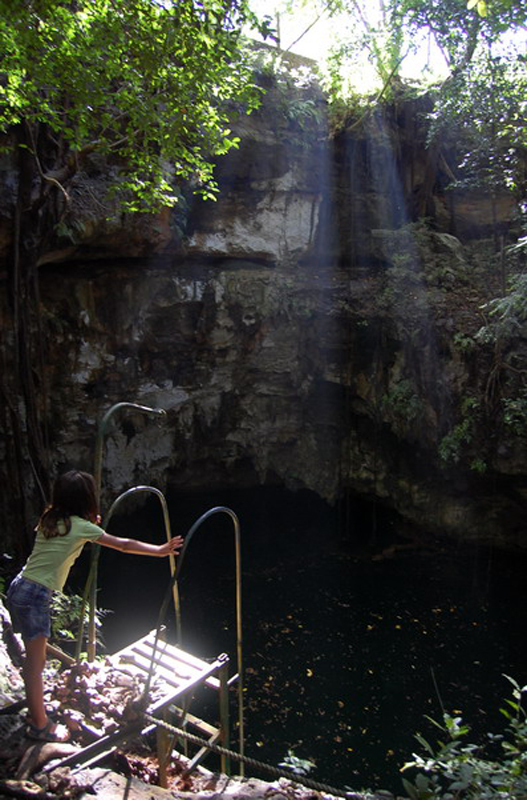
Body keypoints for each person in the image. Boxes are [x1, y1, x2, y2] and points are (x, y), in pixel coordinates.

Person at [6, 470, 183, 743]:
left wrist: (90, 524)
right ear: (86, 499)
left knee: (35, 659)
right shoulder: (82, 527)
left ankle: (35, 711)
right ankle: (40, 724)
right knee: (36, 662)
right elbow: (122, 545)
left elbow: (68, 536)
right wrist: (160, 550)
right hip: (35, 596)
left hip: (20, 587)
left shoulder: (51, 517)